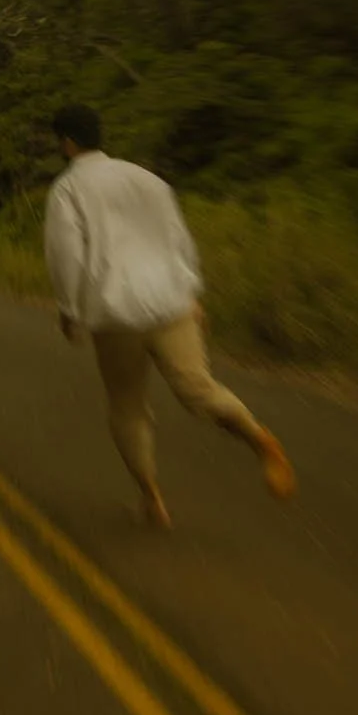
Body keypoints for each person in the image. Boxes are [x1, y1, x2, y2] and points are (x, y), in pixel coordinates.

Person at [44, 102, 295, 528]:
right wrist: (192, 291)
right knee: (199, 389)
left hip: (116, 313)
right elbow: (179, 240)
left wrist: (69, 310)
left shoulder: (68, 190)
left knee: (128, 408)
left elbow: (65, 254)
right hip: (171, 302)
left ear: (67, 142)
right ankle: (258, 438)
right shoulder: (149, 180)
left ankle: (152, 499)